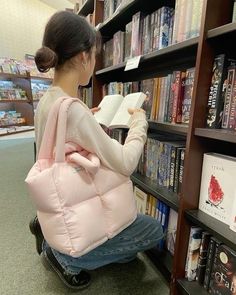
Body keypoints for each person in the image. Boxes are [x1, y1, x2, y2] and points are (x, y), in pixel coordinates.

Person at [29, 11, 164, 290]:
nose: (94, 61)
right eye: (94, 54)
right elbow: (125, 163)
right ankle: (66, 257)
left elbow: (54, 143)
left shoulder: (48, 100)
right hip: (78, 207)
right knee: (152, 230)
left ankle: (47, 229)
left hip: (61, 200)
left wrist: (86, 122)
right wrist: (139, 123)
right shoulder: (74, 111)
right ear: (82, 57)